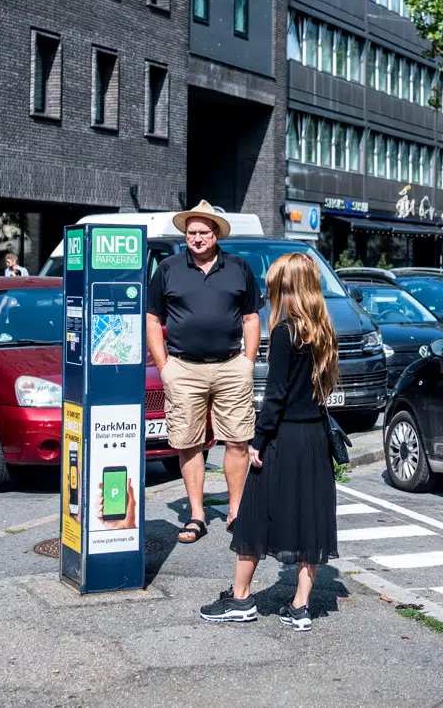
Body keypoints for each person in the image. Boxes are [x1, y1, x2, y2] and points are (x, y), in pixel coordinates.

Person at [201, 252, 340, 631]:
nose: (269, 292)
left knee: (255, 514)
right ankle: (300, 606)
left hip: (284, 437)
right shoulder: (323, 329)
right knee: (310, 519)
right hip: (314, 439)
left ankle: (241, 597)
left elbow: (275, 394)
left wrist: (258, 440)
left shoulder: (285, 331)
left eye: (275, 285)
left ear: (287, 288)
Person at [146, 201, 261, 545]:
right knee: (189, 442)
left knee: (238, 440)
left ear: (216, 234)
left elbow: (252, 318)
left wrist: (248, 362)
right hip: (183, 368)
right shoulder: (167, 268)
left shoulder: (239, 268)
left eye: (203, 232)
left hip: (230, 366)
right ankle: (197, 515)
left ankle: (236, 512)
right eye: (191, 232)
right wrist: (165, 367)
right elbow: (153, 320)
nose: (196, 238)